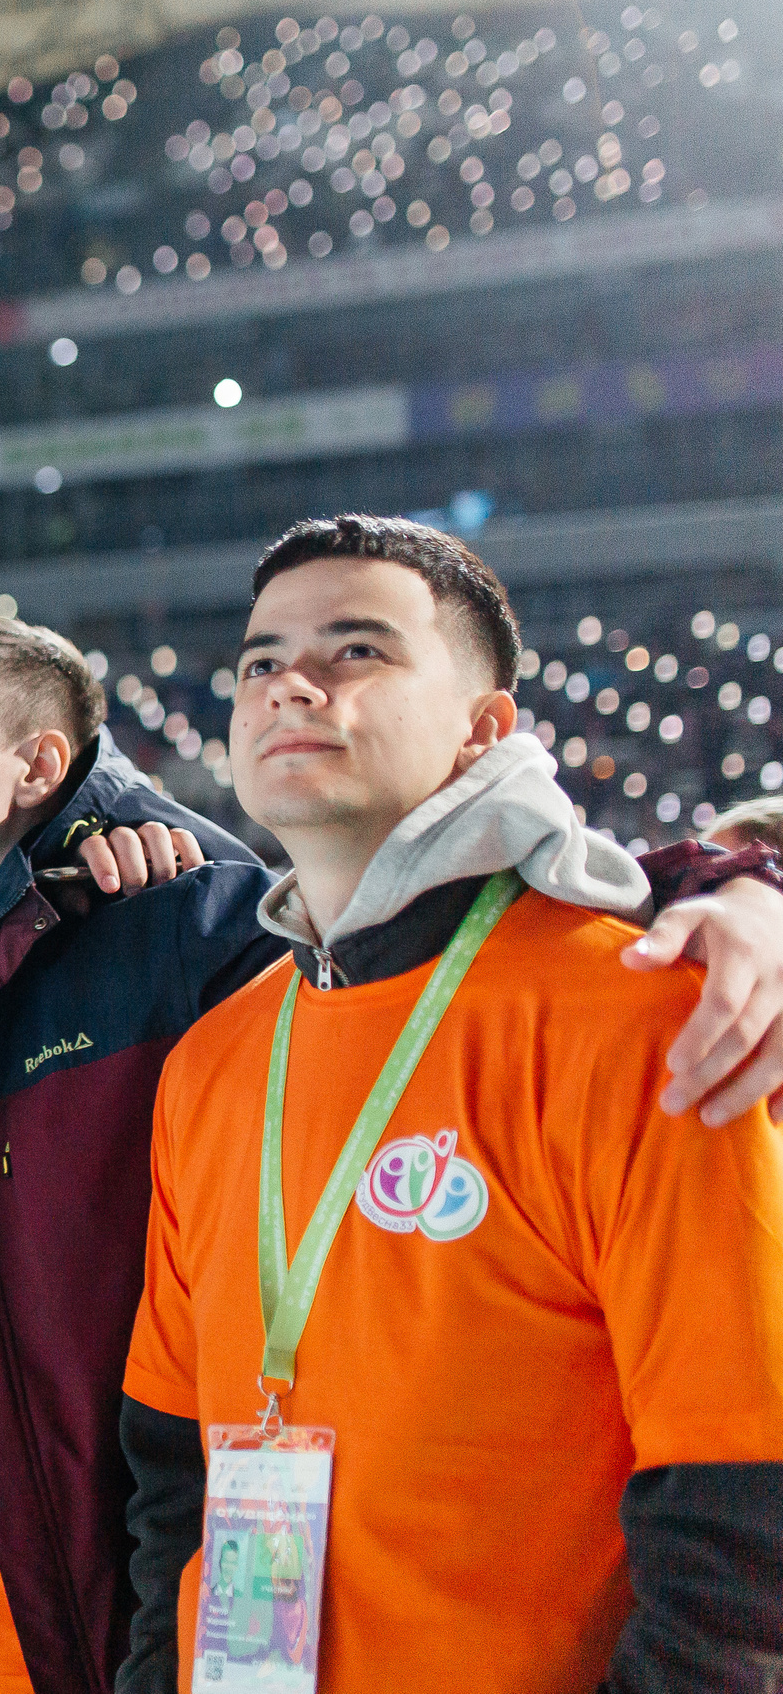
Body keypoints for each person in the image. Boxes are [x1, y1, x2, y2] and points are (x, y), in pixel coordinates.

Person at [0, 599, 783, 1694]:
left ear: (40, 766)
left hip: (83, 1617)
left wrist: (745, 884)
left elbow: (403, 924)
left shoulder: (158, 923)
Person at [120, 517, 783, 1688]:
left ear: (484, 732)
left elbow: (743, 1498)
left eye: (358, 651)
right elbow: (171, 1466)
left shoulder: (638, 1015)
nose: (291, 688)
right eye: (261, 661)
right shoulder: (216, 1057)